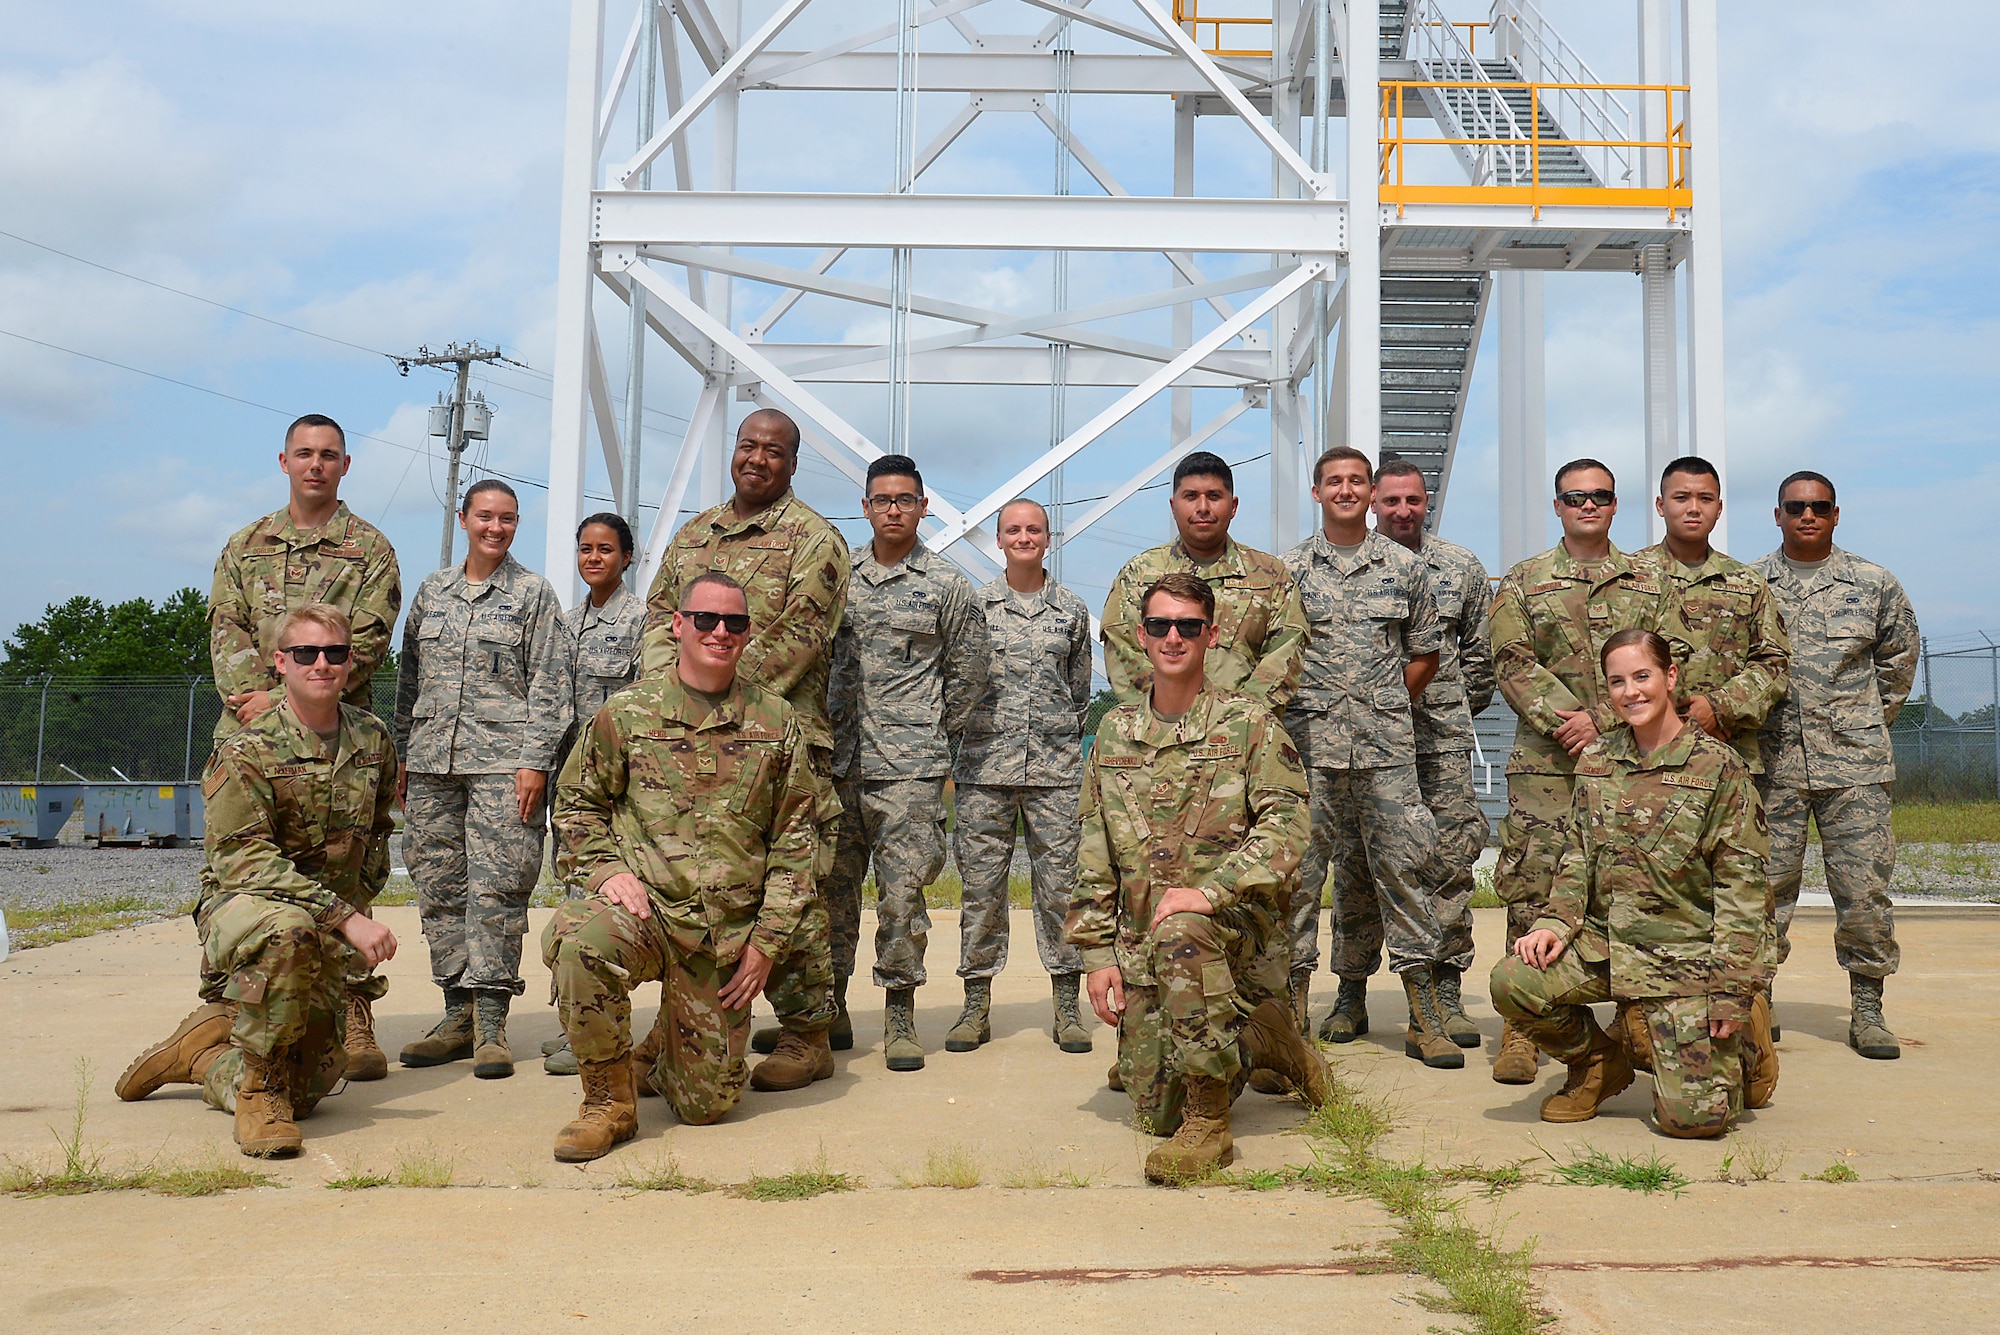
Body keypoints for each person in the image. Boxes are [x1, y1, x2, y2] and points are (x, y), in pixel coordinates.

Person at [542, 574, 824, 1158]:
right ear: (678, 626)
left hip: (724, 934)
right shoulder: (626, 714)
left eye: (735, 623)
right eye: (706, 620)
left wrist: (766, 943)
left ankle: (661, 1047)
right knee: (578, 938)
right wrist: (603, 872)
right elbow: (575, 806)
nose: (720, 633)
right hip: (646, 913)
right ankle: (607, 1103)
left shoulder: (776, 721)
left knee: (705, 1107)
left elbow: (797, 842)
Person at [1068, 573, 1333, 1184]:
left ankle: (1211, 1122)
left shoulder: (1249, 725)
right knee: (1153, 1112)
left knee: (1182, 926)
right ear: (1141, 636)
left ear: (1211, 635)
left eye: (1189, 626)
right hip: (1146, 943)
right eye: (1160, 625)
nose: (1173, 637)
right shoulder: (1113, 732)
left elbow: (1287, 829)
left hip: (1230, 931)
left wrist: (1210, 893)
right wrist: (1097, 954)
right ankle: (1268, 1039)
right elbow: (1093, 846)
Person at [114, 604, 398, 1158]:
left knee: (314, 1087)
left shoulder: (372, 740)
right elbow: (244, 862)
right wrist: (346, 920)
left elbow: (378, 833)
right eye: (305, 654)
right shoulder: (246, 748)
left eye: (334, 653)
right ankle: (255, 1090)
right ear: (280, 663)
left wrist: (347, 923)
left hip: (324, 922)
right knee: (287, 931)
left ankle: (203, 1058)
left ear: (349, 662)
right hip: (248, 908)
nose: (321, 664)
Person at [1490, 629, 1773, 1137]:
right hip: (1607, 946)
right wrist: (1554, 922)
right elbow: (1577, 856)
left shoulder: (1718, 768)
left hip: (1683, 957)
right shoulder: (1597, 762)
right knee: (1514, 980)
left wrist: (1730, 988)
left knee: (1694, 1122)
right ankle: (1600, 1065)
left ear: (1669, 677)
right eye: (1617, 682)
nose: (1631, 692)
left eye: (1642, 676)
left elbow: (1743, 892)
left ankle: (1747, 1042)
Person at [642, 407, 847, 1091]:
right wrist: (663, 700)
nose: (758, 459)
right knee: (687, 882)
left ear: (792, 464)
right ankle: (679, 1021)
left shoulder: (814, 539)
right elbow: (657, 619)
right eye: (748, 446)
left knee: (791, 883)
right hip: (680, 745)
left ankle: (806, 1030)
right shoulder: (694, 534)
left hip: (775, 738)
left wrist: (712, 691)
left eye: (775, 451)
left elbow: (799, 637)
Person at [204, 413, 402, 1081]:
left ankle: (351, 1005)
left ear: (346, 465)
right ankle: (223, 1008)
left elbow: (368, 640)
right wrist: (265, 702)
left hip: (339, 733)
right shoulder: (244, 545)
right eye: (304, 453)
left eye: (329, 455)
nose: (316, 464)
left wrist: (308, 694)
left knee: (344, 860)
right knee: (244, 866)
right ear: (283, 461)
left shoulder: (370, 550)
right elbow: (225, 630)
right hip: (254, 733)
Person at [1279, 447, 1460, 1070]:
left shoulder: (1406, 569)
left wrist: (1383, 703)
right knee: (1300, 882)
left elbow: (1425, 653)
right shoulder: (1291, 573)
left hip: (1386, 752)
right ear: (1316, 491)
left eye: (1357, 481)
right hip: (1309, 753)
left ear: (1370, 490)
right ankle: (1293, 1021)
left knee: (1405, 875)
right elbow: (1273, 657)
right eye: (1335, 481)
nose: (1346, 491)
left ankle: (1424, 1017)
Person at [1487, 459, 1664, 1084]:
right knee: (1532, 883)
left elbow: (1669, 664)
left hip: (1631, 763)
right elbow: (1509, 659)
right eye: (1574, 497)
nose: (1587, 505)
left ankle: (1631, 1015)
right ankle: (1522, 1028)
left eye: (1599, 496)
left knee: (1628, 882)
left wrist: (1605, 722)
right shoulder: (1524, 580)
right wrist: (1571, 720)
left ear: (1615, 506)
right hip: (1547, 763)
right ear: (1557, 505)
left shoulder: (1649, 581)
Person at [393, 479, 568, 1080]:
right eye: (485, 517)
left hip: (503, 766)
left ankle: (492, 1023)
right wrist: (402, 756)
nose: (496, 528)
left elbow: (551, 683)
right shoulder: (432, 592)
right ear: (463, 518)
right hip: (432, 761)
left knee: (497, 888)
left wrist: (534, 761)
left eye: (508, 519)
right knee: (440, 886)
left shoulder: (533, 593)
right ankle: (455, 1016)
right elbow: (409, 680)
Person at [824, 454, 989, 1072]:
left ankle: (899, 1013)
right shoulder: (836, 578)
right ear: (865, 508)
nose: (893, 509)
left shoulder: (947, 585)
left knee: (902, 897)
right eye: (881, 500)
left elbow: (970, 673)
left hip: (909, 769)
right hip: (837, 764)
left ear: (922, 507)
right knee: (830, 894)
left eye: (905, 500)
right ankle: (830, 1008)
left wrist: (929, 736)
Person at [1754, 471, 1920, 1059]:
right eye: (1795, 507)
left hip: (1855, 770)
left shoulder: (1874, 584)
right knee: (1764, 891)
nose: (1807, 516)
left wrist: (1860, 724)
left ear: (1836, 514)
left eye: (1818, 507)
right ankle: (1757, 1001)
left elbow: (1898, 663)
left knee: (1864, 892)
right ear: (1777, 515)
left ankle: (1868, 1010)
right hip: (1771, 766)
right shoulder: (1753, 585)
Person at [947, 499, 1094, 1055]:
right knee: (981, 891)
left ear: (1048, 538)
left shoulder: (1071, 610)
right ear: (1000, 541)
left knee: (1060, 890)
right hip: (985, 769)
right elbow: (959, 680)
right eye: (1013, 529)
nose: (1023, 537)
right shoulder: (975, 607)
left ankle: (1066, 1007)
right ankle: (975, 1005)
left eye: (1033, 529)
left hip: (1055, 773)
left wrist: (1056, 737)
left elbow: (1079, 692)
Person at [1366, 458, 1496, 1045]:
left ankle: (1445, 988)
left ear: (1427, 501)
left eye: (1412, 501)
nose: (1402, 511)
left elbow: (1479, 655)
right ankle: (1350, 991)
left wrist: (1451, 707)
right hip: (1365, 741)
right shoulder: (1356, 565)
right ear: (1373, 501)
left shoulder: (1462, 567)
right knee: (1357, 865)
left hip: (1438, 742)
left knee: (1449, 859)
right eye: (1390, 501)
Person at [542, 512, 648, 1078]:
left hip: (620, 785)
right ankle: (572, 1024)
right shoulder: (563, 623)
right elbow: (550, 703)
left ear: (626, 558)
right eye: (585, 549)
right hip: (574, 784)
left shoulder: (643, 622)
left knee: (611, 906)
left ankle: (608, 1031)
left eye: (606, 550)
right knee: (573, 900)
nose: (594, 559)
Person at [1099, 451, 1307, 711]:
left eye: (1214, 496)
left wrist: (1238, 719)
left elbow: (1284, 655)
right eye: (1191, 497)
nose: (1203, 508)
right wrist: (1165, 713)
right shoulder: (1139, 575)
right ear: (1173, 507)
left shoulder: (1270, 575)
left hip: (1242, 737)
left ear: (1233, 506)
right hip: (1159, 736)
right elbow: (1124, 651)